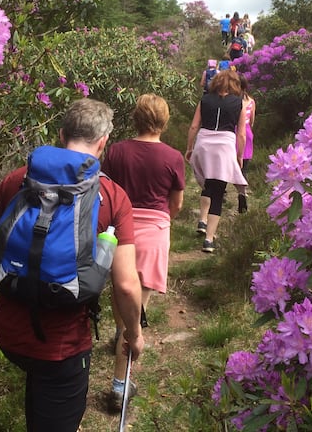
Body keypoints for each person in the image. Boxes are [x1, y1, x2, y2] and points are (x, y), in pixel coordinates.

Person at [0, 99, 145, 432]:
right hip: (63, 347)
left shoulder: (17, 180)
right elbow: (125, 284)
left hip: (9, 334)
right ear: (103, 141)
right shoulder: (113, 196)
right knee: (52, 393)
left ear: (62, 134)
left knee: (38, 384)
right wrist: (133, 335)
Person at [101, 94, 185, 412]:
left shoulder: (117, 151)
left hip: (118, 232)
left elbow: (105, 192)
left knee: (120, 293)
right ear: (163, 121)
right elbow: (175, 204)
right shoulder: (173, 157)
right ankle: (121, 386)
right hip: (153, 235)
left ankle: (119, 337)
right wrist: (161, 222)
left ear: (135, 118)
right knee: (135, 317)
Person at [184, 70, 248, 252]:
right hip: (224, 146)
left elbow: (194, 125)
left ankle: (202, 220)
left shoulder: (205, 100)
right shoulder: (239, 103)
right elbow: (241, 133)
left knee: (207, 185)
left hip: (204, 143)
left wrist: (189, 147)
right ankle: (209, 239)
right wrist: (239, 155)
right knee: (218, 191)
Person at [238, 73, 256, 212]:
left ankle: (224, 194)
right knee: (243, 169)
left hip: (234, 134)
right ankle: (242, 193)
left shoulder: (232, 101)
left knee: (230, 166)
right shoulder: (251, 101)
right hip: (247, 134)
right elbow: (251, 122)